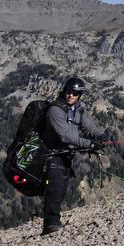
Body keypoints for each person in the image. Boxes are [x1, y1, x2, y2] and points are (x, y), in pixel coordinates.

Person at [39, 76, 107, 236]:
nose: (71, 95)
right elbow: (65, 136)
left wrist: (102, 136)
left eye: (75, 93)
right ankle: (50, 225)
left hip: (67, 155)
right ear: (64, 91)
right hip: (52, 155)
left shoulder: (79, 108)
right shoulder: (55, 110)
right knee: (56, 188)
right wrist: (90, 144)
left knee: (61, 189)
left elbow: (87, 127)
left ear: (79, 95)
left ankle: (53, 223)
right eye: (69, 92)